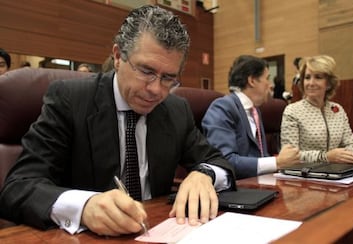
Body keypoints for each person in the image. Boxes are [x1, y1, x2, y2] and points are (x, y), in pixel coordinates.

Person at [0, 5, 235, 237]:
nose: (155, 90)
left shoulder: (176, 109)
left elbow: (218, 162)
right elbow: (18, 188)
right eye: (145, 71)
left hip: (159, 230)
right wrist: (84, 206)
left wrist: (204, 174)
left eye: (168, 78)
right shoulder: (70, 100)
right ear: (117, 57)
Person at [202, 55, 300, 179]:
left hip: (260, 184)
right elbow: (224, 162)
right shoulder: (222, 107)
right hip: (237, 191)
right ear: (252, 81)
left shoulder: (255, 111)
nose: (271, 85)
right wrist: (277, 162)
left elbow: (261, 156)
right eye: (267, 79)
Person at [281, 55, 353, 163]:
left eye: (318, 77)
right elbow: (289, 155)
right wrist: (326, 157)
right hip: (305, 174)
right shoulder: (292, 111)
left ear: (328, 84)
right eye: (307, 77)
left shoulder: (337, 109)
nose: (311, 83)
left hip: (337, 172)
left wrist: (346, 154)